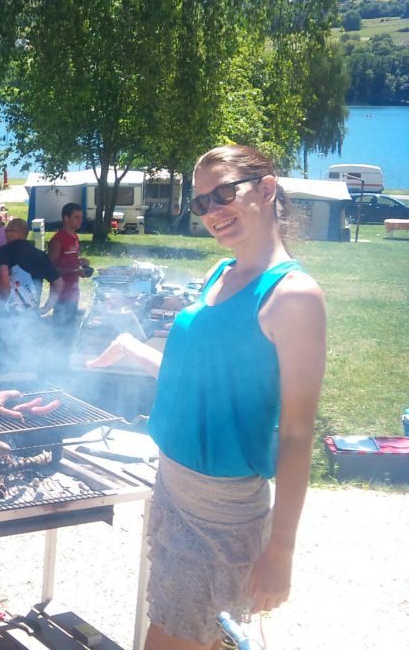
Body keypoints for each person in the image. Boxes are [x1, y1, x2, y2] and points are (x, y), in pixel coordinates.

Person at [87, 144, 326, 650]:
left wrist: (280, 550)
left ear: (266, 188)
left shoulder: (293, 296)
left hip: (222, 508)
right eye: (201, 203)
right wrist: (134, 348)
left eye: (223, 194)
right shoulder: (219, 275)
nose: (213, 211)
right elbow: (198, 378)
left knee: (173, 637)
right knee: (199, 636)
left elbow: (300, 433)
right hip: (173, 484)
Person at [0, 218, 63, 314]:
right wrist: (46, 308)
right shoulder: (41, 255)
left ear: (14, 232)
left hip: (9, 316)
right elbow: (59, 283)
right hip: (32, 316)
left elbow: (3, 277)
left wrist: (7, 302)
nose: (5, 234)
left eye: (6, 230)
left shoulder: (4, 251)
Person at [47, 202, 90, 324]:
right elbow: (50, 270)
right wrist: (75, 271)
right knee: (61, 332)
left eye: (81, 217)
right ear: (66, 218)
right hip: (61, 296)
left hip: (73, 293)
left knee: (70, 330)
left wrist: (81, 262)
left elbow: (70, 259)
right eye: (76, 217)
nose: (80, 220)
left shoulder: (75, 237)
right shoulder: (58, 240)